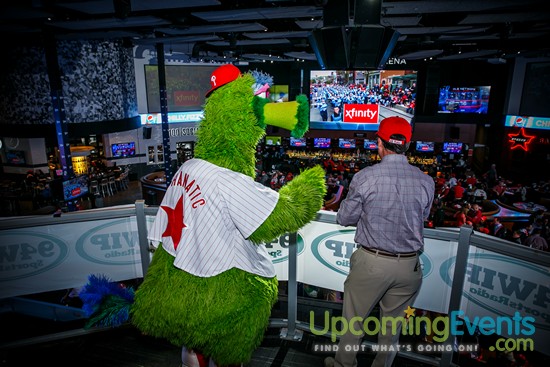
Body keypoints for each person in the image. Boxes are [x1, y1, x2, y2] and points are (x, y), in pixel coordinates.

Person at [325, 116, 435, 367]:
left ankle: (344, 364)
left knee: (354, 323)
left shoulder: (366, 177)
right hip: (410, 266)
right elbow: (423, 216)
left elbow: (344, 217)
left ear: (379, 143)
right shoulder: (426, 180)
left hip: (372, 263)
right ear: (407, 144)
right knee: (391, 330)